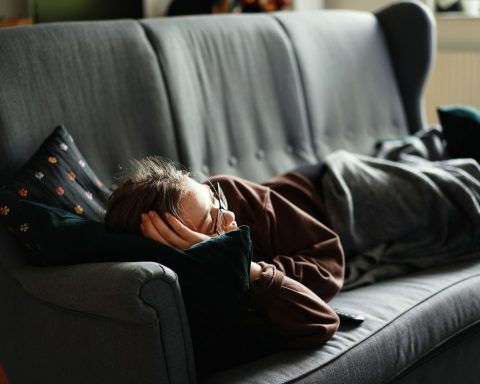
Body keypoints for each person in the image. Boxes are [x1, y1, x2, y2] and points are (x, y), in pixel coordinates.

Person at [105, 156, 344, 351]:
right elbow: (322, 321)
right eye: (212, 223)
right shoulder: (205, 290)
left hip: (333, 186)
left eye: (214, 198)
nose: (229, 216)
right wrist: (242, 266)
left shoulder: (230, 192)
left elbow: (329, 262)